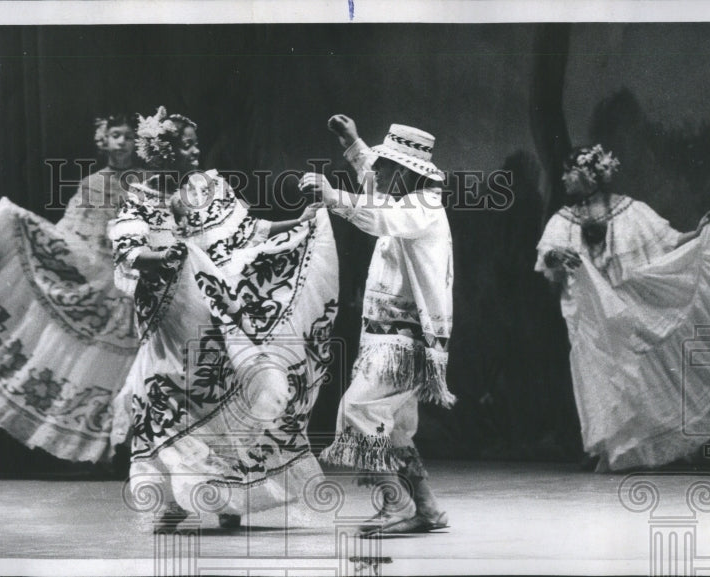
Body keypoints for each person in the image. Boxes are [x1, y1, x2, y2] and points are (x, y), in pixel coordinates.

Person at [109, 107, 339, 532]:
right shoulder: (140, 197)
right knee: (161, 398)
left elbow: (246, 231)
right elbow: (126, 248)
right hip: (168, 319)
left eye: (196, 142)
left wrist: (298, 223)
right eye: (187, 144)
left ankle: (227, 496)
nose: (197, 151)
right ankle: (176, 500)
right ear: (164, 151)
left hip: (212, 308)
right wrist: (162, 256)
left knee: (218, 395)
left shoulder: (210, 187)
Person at [0, 114, 140, 464]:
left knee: (132, 364)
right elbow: (72, 231)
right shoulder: (92, 184)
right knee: (100, 363)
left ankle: (133, 446)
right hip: (101, 278)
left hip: (134, 278)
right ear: (103, 141)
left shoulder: (149, 182)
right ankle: (110, 449)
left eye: (128, 136)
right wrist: (48, 245)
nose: (122, 142)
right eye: (115, 135)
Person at [535, 144, 710, 472]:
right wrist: (558, 256)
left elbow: (666, 240)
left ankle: (656, 446)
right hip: (588, 312)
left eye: (570, 172)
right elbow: (548, 254)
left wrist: (696, 236)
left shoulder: (630, 210)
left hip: (625, 306)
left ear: (587, 174)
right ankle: (610, 448)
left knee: (636, 373)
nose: (565, 179)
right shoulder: (564, 220)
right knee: (598, 374)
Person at [300, 115, 454, 537]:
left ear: (405, 172)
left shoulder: (423, 207)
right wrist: (353, 145)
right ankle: (426, 508)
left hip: (404, 343)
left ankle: (398, 505)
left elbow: (378, 216)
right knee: (397, 427)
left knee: (359, 411)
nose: (378, 173)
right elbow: (377, 188)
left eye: (387, 167)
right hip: (394, 338)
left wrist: (333, 196)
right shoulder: (407, 199)